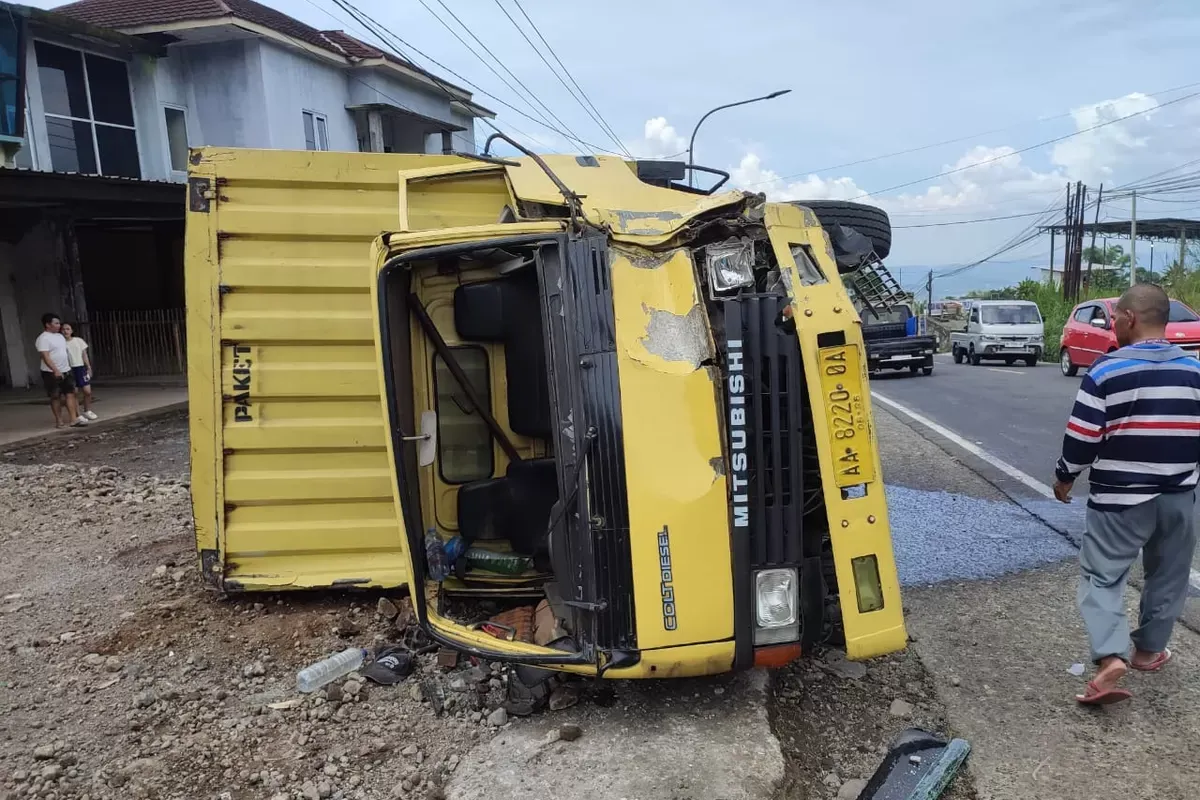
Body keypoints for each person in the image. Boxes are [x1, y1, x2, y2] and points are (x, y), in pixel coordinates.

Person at [1053, 283, 1200, 706]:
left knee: (1102, 576)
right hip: (1178, 497)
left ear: (1130, 319)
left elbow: (1082, 437)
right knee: (1169, 576)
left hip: (1119, 500)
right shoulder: (1194, 372)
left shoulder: (1106, 371)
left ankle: (1110, 657)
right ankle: (1149, 652)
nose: (1112, 323)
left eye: (1115, 316)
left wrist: (1065, 476)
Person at [35, 312, 87, 429]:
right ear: (48, 325)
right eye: (56, 323)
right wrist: (55, 370)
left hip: (66, 369)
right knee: (55, 396)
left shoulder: (59, 337)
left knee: (70, 393)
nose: (59, 325)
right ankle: (59, 421)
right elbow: (45, 356)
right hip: (51, 372)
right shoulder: (43, 338)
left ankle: (73, 419)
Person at [61, 323, 98, 420]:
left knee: (87, 391)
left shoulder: (78, 341)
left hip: (80, 367)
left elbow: (84, 354)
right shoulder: (61, 343)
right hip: (69, 368)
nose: (66, 331)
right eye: (63, 329)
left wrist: (88, 367)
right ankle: (78, 414)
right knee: (74, 392)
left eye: (68, 329)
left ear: (72, 331)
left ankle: (87, 410)